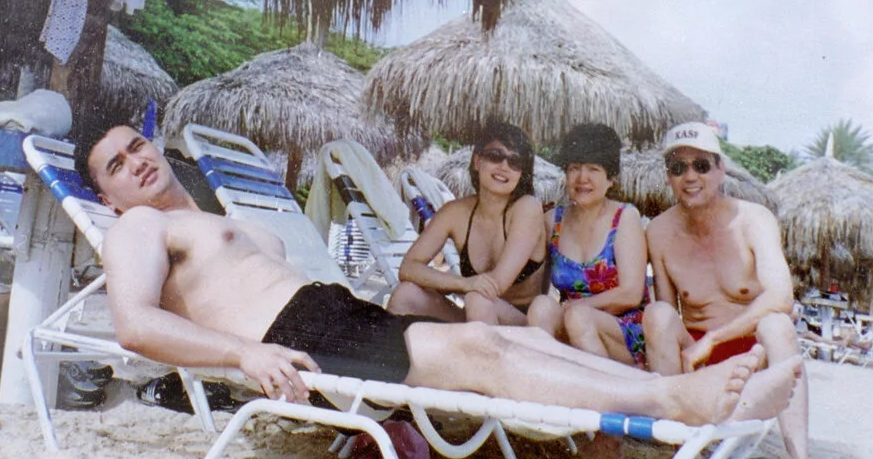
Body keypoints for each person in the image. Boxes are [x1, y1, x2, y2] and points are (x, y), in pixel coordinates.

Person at [80, 123, 754, 429]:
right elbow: (136, 326)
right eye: (115, 165)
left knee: (517, 342)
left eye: (136, 144)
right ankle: (664, 405)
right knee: (480, 347)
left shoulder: (220, 223)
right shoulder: (138, 228)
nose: (134, 160)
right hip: (297, 337)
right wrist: (243, 353)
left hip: (331, 315)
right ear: (109, 198)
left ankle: (668, 386)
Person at [643, 122, 827, 459]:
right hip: (696, 359)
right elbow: (665, 309)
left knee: (778, 323)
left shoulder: (753, 219)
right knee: (656, 314)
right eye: (678, 168)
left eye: (700, 165)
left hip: (751, 354)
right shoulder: (658, 232)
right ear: (669, 179)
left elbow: (780, 296)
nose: (690, 176)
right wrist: (699, 346)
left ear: (720, 169)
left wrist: (716, 337)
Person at [390, 118, 550, 326]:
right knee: (406, 294)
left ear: (521, 174)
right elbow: (408, 268)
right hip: (477, 317)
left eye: (515, 162)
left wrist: (468, 287)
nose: (504, 166)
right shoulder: (456, 212)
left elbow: (496, 285)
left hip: (522, 325)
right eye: (495, 156)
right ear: (477, 161)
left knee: (478, 298)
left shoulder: (526, 207)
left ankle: (479, 357)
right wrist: (463, 283)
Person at [532, 121, 651, 366]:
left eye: (593, 169)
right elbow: (538, 289)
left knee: (579, 317)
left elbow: (631, 293)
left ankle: (604, 394)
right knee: (542, 306)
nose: (582, 178)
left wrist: (578, 306)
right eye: (574, 168)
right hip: (570, 319)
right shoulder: (551, 221)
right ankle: (541, 383)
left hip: (621, 331)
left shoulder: (625, 218)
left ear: (610, 179)